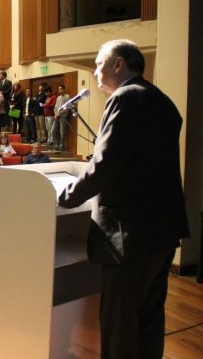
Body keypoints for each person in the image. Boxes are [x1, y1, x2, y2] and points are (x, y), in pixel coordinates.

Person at [58, 39, 190, 359]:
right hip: (162, 231)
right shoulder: (164, 102)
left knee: (120, 322)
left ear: (119, 64)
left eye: (99, 64)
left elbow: (106, 163)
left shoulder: (124, 98)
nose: (95, 72)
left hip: (127, 234)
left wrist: (67, 196)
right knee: (149, 318)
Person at [51, 84, 71, 151]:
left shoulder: (67, 96)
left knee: (62, 132)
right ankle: (56, 145)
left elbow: (66, 107)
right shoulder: (58, 97)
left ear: (64, 89)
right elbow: (56, 107)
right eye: (59, 89)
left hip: (63, 116)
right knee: (53, 131)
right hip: (56, 116)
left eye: (61, 89)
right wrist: (55, 114)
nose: (60, 91)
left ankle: (61, 146)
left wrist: (59, 114)